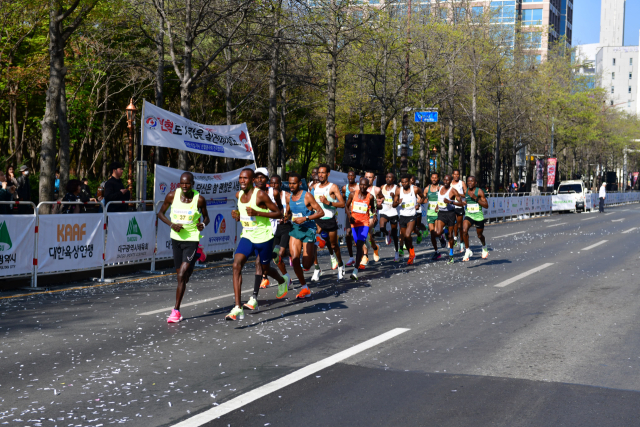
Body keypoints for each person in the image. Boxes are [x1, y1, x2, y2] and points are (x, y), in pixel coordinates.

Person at [227, 168, 291, 320]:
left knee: (264, 268)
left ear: (252, 180)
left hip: (264, 237)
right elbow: (243, 213)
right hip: (247, 235)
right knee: (236, 265)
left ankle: (282, 280)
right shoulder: (239, 195)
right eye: (240, 178)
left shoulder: (260, 195)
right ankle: (237, 307)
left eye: (245, 178)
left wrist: (258, 213)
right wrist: (237, 216)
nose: (242, 181)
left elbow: (279, 213)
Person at [158, 172, 210, 323]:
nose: (184, 186)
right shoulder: (172, 196)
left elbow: (207, 217)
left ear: (192, 183)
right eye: (182, 183)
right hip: (176, 239)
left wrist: (203, 224)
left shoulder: (199, 199)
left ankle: (176, 311)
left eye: (187, 183)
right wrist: (172, 224)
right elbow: (160, 213)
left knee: (181, 274)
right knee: (182, 277)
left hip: (192, 239)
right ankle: (195, 259)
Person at [285, 173, 325, 298]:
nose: (291, 186)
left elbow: (321, 212)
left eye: (294, 183)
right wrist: (285, 218)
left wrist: (305, 218)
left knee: (307, 265)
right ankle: (304, 288)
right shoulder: (289, 197)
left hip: (308, 229)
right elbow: (288, 212)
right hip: (296, 229)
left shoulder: (307, 196)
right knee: (295, 259)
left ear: (300, 184)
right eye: (290, 183)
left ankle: (314, 245)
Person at [312, 164, 346, 280]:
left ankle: (340, 264)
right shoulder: (314, 186)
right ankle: (317, 268)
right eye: (319, 173)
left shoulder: (333, 187)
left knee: (333, 245)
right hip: (317, 219)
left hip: (329, 219)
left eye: (323, 173)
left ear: (328, 174)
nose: (320, 175)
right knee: (313, 244)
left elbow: (342, 204)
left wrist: (328, 203)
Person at [345, 177, 376, 280]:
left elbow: (373, 208)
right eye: (361, 185)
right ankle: (366, 241)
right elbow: (346, 206)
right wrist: (350, 217)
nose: (363, 187)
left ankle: (355, 271)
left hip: (364, 223)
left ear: (368, 186)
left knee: (359, 245)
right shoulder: (353, 194)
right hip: (354, 223)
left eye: (365, 185)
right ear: (359, 185)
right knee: (357, 242)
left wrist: (375, 214)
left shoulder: (370, 197)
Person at [432, 174, 464, 264]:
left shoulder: (453, 191)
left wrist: (450, 201)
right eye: (444, 180)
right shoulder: (440, 188)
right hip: (441, 213)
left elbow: (461, 203)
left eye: (448, 180)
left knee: (450, 236)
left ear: (450, 182)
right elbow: (440, 199)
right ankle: (444, 233)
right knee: (437, 232)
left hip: (450, 213)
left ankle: (451, 254)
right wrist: (437, 206)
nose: (446, 181)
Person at [394, 174, 423, 265]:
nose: (404, 183)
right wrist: (397, 202)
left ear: (410, 181)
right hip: (402, 216)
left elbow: (423, 197)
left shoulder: (415, 189)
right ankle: (411, 253)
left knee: (407, 235)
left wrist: (419, 204)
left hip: (412, 216)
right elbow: (394, 204)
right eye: (402, 182)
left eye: (406, 182)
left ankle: (411, 253)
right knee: (405, 239)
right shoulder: (399, 190)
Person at [461, 176, 489, 261]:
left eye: (472, 181)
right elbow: (466, 202)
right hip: (469, 215)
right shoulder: (466, 191)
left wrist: (476, 199)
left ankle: (484, 246)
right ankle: (467, 250)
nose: (470, 183)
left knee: (479, 235)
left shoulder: (479, 191)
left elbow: (486, 205)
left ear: (475, 182)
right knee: (464, 231)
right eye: (468, 181)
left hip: (478, 216)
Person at [268, 174, 291, 278]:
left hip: (285, 226)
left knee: (280, 253)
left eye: (276, 183)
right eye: (271, 183)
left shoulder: (287, 195)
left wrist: (287, 217)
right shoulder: (267, 196)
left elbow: (291, 212)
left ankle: (289, 253)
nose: (273, 185)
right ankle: (286, 275)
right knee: (275, 255)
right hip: (273, 227)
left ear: (280, 184)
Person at [377, 172, 400, 262]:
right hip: (384, 210)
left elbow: (399, 200)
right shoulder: (382, 187)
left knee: (394, 234)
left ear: (393, 179)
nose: (387, 178)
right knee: (382, 227)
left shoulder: (397, 188)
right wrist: (380, 199)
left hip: (393, 211)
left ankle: (396, 252)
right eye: (386, 177)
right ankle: (387, 233)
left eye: (390, 177)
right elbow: (380, 196)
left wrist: (394, 196)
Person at [425, 172, 447, 260]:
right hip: (430, 213)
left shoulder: (441, 188)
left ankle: (441, 236)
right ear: (431, 178)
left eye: (436, 178)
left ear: (438, 179)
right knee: (432, 234)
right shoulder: (427, 189)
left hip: (439, 213)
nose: (434, 179)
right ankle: (436, 252)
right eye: (432, 178)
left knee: (438, 232)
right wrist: (421, 201)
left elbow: (446, 198)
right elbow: (423, 198)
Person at [362, 171, 380, 266]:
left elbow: (382, 198)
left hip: (371, 216)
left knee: (365, 233)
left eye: (370, 177)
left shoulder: (376, 189)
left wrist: (380, 202)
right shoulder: (360, 187)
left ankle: (367, 254)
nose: (368, 179)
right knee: (366, 236)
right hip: (361, 216)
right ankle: (374, 248)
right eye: (366, 177)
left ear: (374, 179)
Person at [341, 171, 358, 267]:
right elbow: (344, 201)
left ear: (355, 176)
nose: (350, 177)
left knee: (358, 237)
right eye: (349, 175)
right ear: (347, 177)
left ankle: (363, 254)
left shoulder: (359, 186)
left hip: (359, 214)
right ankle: (351, 257)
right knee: (347, 234)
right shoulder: (345, 188)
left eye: (352, 175)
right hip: (349, 214)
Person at [451, 169, 467, 253]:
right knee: (453, 223)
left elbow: (466, 194)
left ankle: (462, 243)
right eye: (455, 174)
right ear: (452, 175)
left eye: (458, 174)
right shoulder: (450, 183)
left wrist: (458, 194)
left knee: (459, 225)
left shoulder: (462, 183)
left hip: (459, 206)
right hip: (451, 206)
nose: (456, 176)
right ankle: (455, 238)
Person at [410, 175, 428, 244]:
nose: (411, 183)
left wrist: (418, 203)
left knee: (417, 226)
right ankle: (406, 244)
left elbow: (421, 199)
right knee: (410, 228)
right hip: (408, 211)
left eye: (413, 181)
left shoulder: (416, 189)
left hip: (417, 210)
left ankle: (423, 230)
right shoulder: (404, 189)